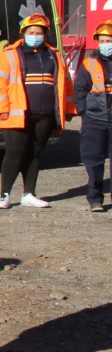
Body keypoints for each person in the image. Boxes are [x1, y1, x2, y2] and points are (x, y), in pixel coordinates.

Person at [0, 13, 74, 209]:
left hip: (45, 114)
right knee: (14, 153)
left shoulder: (54, 55)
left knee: (35, 153)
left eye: (39, 32)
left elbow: (66, 84)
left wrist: (68, 109)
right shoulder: (10, 54)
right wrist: (1, 109)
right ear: (23, 33)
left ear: (45, 34)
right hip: (17, 114)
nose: (35, 35)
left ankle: (29, 194)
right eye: (31, 32)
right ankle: (4, 195)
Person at [72, 20, 112, 212]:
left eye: (109, 40)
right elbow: (79, 91)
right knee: (94, 162)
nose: (105, 44)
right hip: (95, 120)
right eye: (102, 40)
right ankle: (95, 199)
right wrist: (84, 115)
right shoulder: (89, 64)